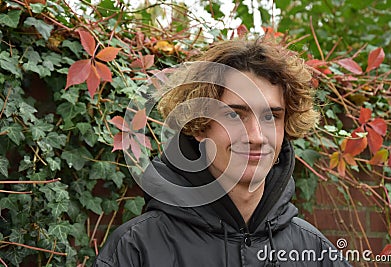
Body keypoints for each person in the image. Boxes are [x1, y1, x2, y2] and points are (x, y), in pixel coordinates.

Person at [93, 39, 352, 266]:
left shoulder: (316, 253)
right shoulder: (136, 249)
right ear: (199, 126)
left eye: (271, 116)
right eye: (234, 114)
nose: (256, 136)